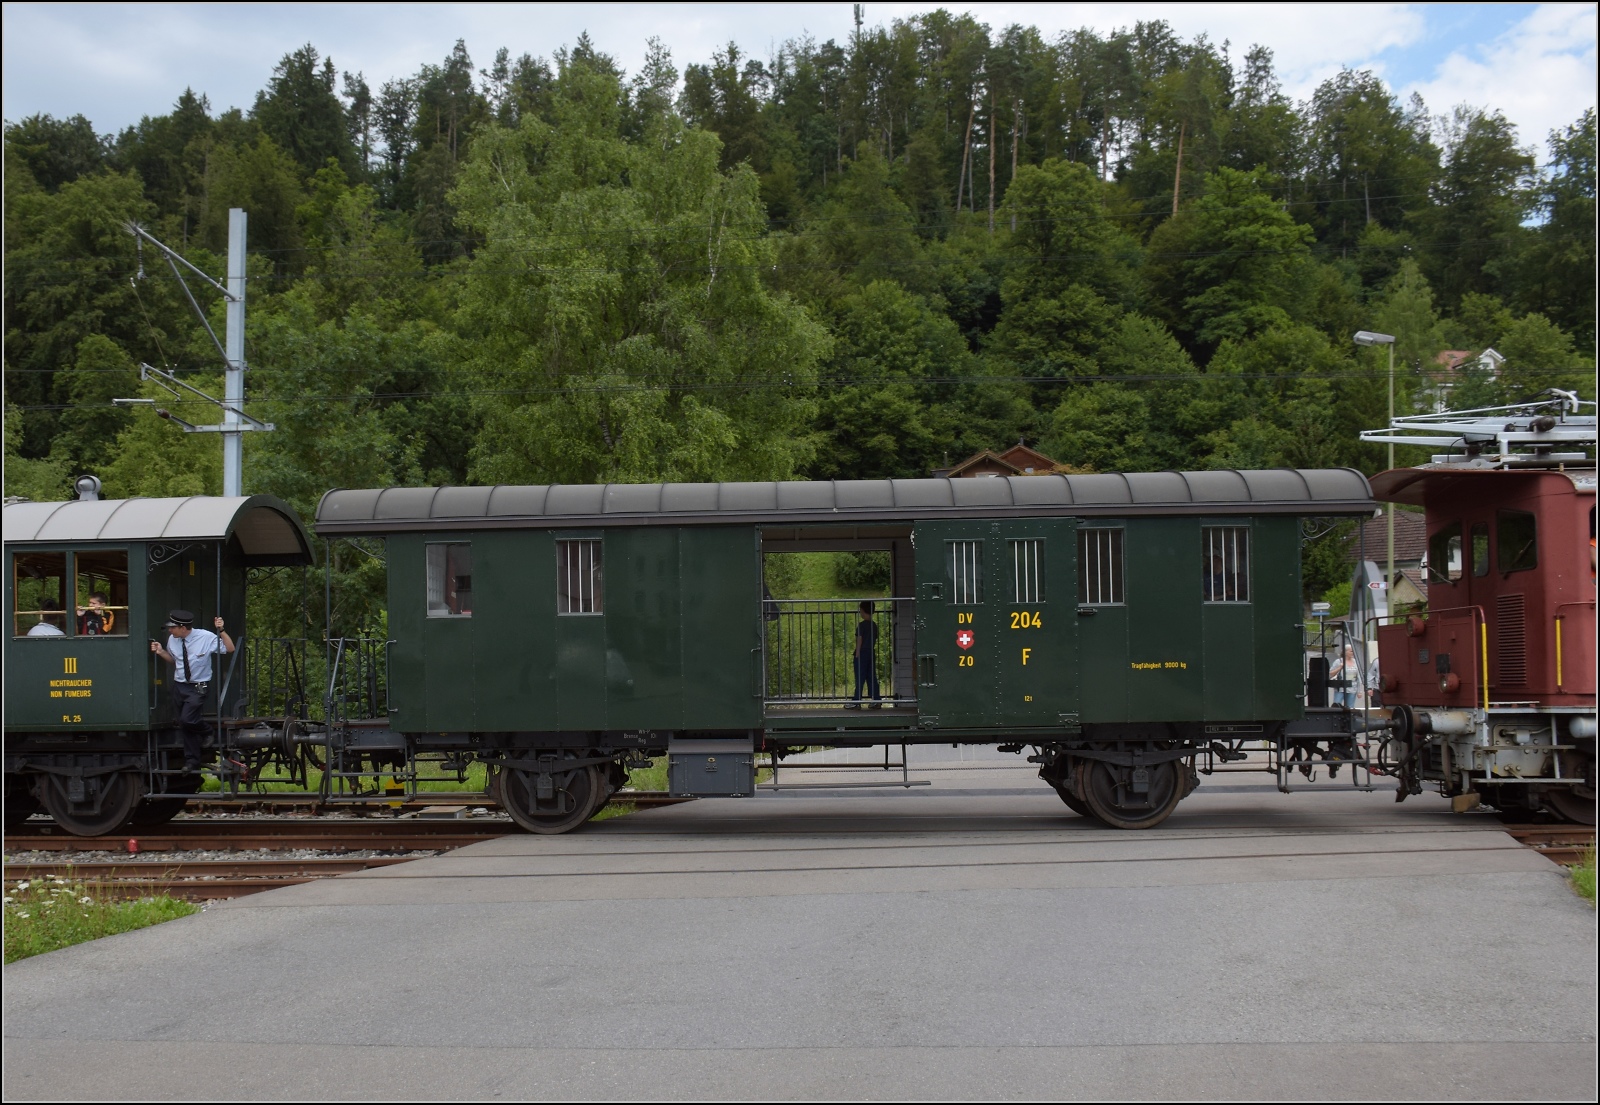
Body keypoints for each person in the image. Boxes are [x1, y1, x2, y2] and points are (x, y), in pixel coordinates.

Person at [150, 609, 234, 773]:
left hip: (198, 686)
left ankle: (207, 731)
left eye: (172, 627)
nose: (169, 630)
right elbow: (175, 661)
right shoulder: (173, 640)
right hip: (180, 685)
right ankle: (192, 761)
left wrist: (221, 630)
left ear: (182, 627)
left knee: (188, 719)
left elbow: (230, 648)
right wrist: (161, 652)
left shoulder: (205, 637)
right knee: (184, 725)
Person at [849, 600, 881, 708]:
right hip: (870, 652)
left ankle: (856, 701)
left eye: (860, 611)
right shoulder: (874, 625)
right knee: (871, 676)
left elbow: (859, 640)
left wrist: (857, 654)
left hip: (862, 653)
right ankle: (876, 699)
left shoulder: (861, 626)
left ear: (863, 611)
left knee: (860, 677)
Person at [1329, 644, 1359, 709]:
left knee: (1350, 708)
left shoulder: (1356, 662)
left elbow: (1358, 677)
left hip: (1352, 688)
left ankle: (1349, 718)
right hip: (1340, 688)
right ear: (1345, 652)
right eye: (1351, 651)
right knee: (1337, 706)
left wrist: (1359, 691)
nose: (1353, 653)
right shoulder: (1338, 661)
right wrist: (1340, 667)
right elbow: (1330, 673)